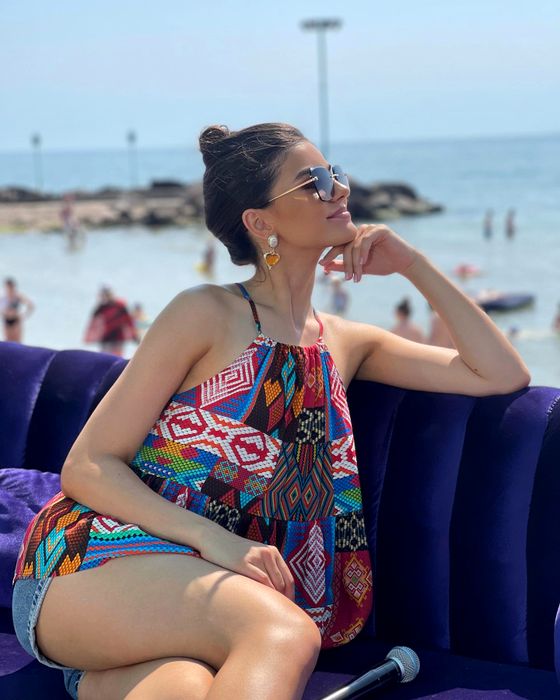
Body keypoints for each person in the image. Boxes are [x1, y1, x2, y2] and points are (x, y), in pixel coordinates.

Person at [12, 123, 530, 700]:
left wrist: (412, 264)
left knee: (187, 688)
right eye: (314, 182)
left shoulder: (346, 342)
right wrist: (215, 540)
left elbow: (500, 374)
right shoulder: (206, 313)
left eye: (335, 175)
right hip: (94, 560)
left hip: (192, 611)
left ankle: (95, 678)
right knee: (284, 633)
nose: (339, 190)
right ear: (260, 223)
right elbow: (88, 465)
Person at [83, 286, 138, 356]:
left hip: (118, 337)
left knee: (118, 357)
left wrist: (134, 335)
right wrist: (88, 337)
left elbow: (128, 321)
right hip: (106, 338)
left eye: (107, 294)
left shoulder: (120, 305)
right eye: (104, 295)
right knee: (105, 357)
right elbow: (93, 324)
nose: (106, 297)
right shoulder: (100, 308)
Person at [1, 277, 34, 343]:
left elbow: (31, 306)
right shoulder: (3, 297)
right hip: (6, 320)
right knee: (7, 342)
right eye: (7, 287)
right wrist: (3, 313)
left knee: (17, 343)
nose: (9, 289)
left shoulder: (17, 296)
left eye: (10, 287)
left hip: (16, 320)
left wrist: (24, 315)